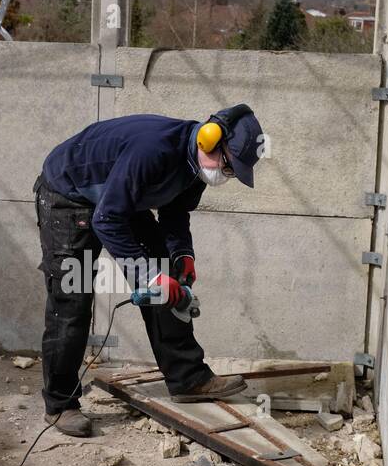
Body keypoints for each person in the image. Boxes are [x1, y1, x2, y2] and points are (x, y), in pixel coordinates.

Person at [33, 103, 265, 436]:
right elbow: (106, 219)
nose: (224, 175)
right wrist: (149, 277)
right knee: (72, 296)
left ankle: (188, 378)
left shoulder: (197, 168)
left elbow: (174, 214)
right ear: (209, 140)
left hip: (118, 199)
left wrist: (182, 255)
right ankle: (60, 404)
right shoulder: (154, 151)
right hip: (68, 195)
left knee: (167, 274)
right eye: (228, 165)